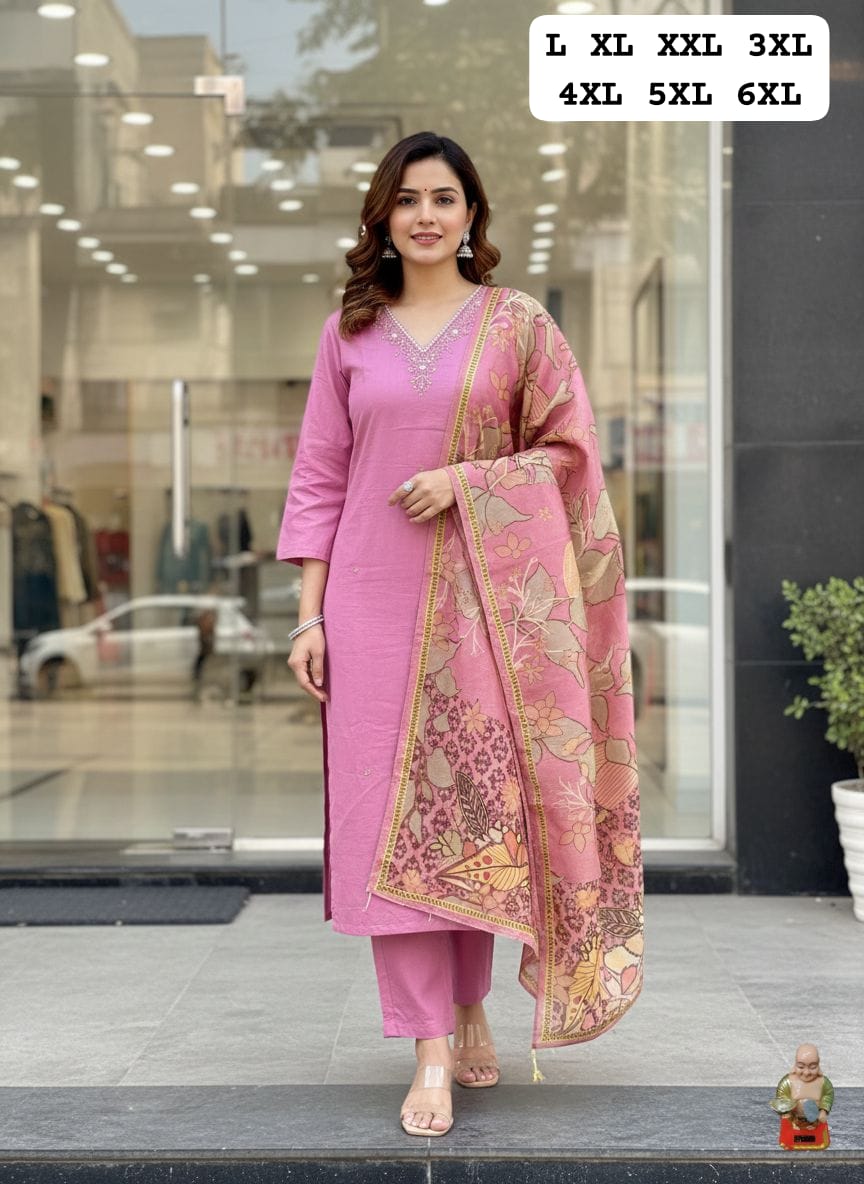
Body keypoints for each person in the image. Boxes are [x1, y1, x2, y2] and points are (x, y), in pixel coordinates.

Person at [278, 132, 643, 1138]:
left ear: (472, 214)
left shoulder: (518, 324)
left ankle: (471, 1000)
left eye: (444, 198)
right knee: (380, 821)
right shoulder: (348, 332)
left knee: (469, 811)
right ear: (382, 218)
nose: (426, 216)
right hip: (367, 601)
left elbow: (570, 454)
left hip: (480, 607)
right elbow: (318, 477)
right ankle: (429, 1044)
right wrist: (308, 613)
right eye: (407, 200)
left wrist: (469, 481)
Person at [771, 1043, 834, 1126]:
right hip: (793, 1121)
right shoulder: (787, 1082)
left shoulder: (823, 1082)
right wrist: (786, 1112)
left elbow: (828, 1096)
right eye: (801, 1067)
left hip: (816, 1122)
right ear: (795, 1064)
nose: (806, 1073)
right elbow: (781, 1098)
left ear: (818, 1064)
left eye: (813, 1067)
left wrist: (823, 1111)